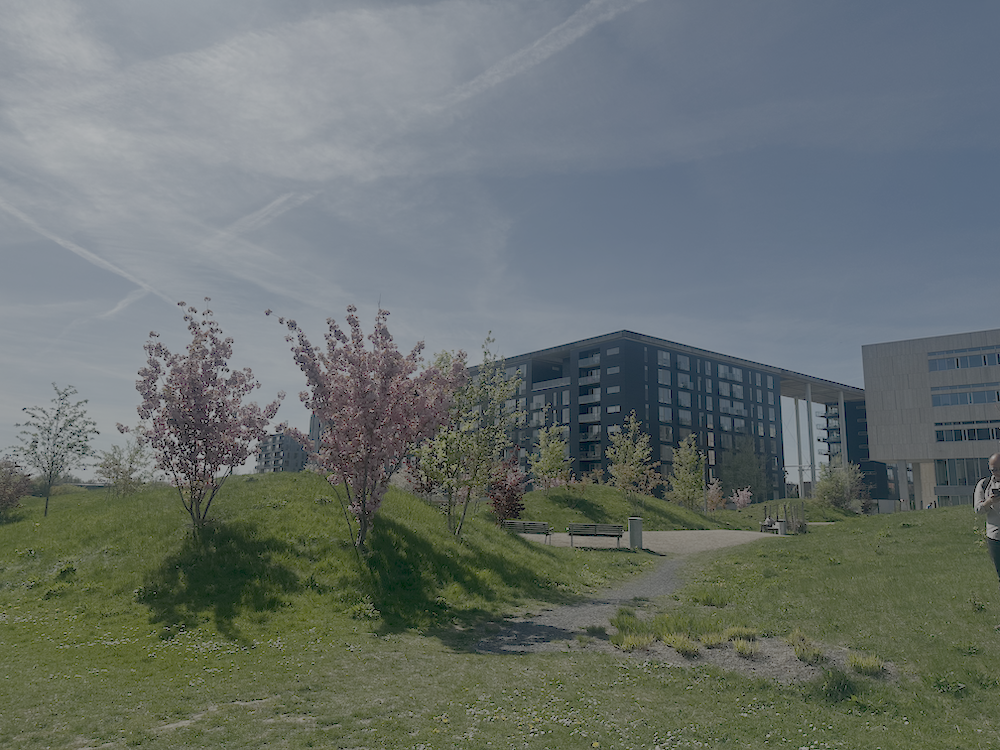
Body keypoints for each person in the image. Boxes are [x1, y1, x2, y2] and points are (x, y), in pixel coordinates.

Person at [974, 453, 1000, 587]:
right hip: (995, 537)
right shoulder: (984, 484)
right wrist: (989, 501)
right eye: (994, 470)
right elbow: (978, 510)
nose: (997, 473)